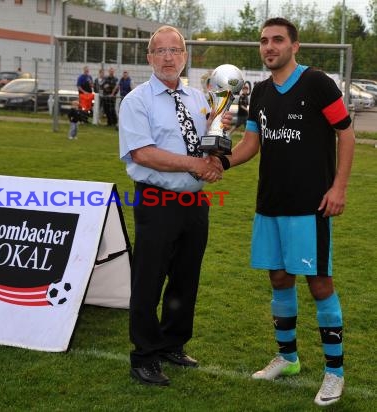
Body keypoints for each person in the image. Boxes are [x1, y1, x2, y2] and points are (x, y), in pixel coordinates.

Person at [224, 18, 354, 406]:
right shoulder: (260, 91)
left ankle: (335, 373)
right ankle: (289, 357)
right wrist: (221, 163)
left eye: (277, 40)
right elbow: (251, 143)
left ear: (294, 46)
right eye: (263, 41)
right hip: (270, 203)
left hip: (310, 205)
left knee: (319, 283)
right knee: (279, 278)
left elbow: (346, 133)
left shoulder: (317, 83)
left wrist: (339, 187)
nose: (269, 47)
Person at [118, 25, 225, 387]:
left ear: (184, 56)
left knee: (185, 277)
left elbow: (206, 141)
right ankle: (144, 357)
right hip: (156, 199)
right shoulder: (137, 101)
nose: (168, 57)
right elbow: (142, 153)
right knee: (148, 279)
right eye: (160, 51)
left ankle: (171, 343)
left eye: (175, 50)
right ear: (149, 58)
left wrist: (215, 155)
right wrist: (196, 165)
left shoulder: (200, 98)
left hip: (194, 202)